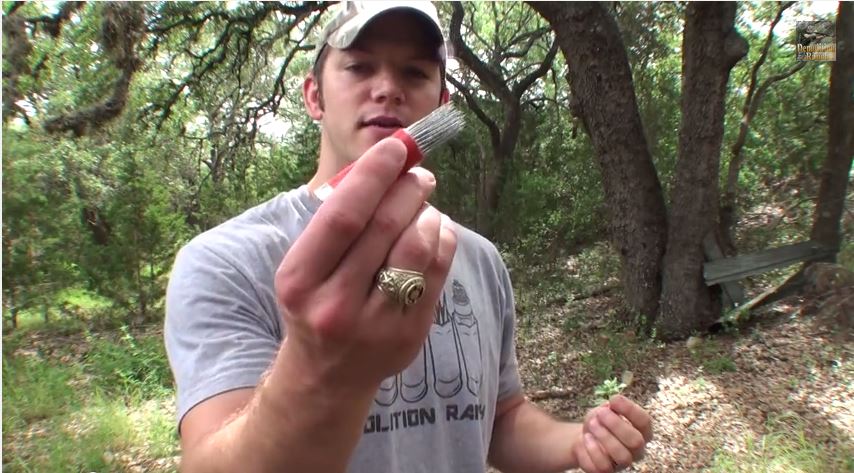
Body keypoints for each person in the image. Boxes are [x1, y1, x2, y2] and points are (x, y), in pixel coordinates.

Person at [164, 2, 653, 472]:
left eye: (415, 73)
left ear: (440, 105)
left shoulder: (480, 259)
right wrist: (318, 368)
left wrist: (577, 440)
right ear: (314, 96)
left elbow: (500, 421)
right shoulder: (225, 261)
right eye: (358, 67)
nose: (387, 89)